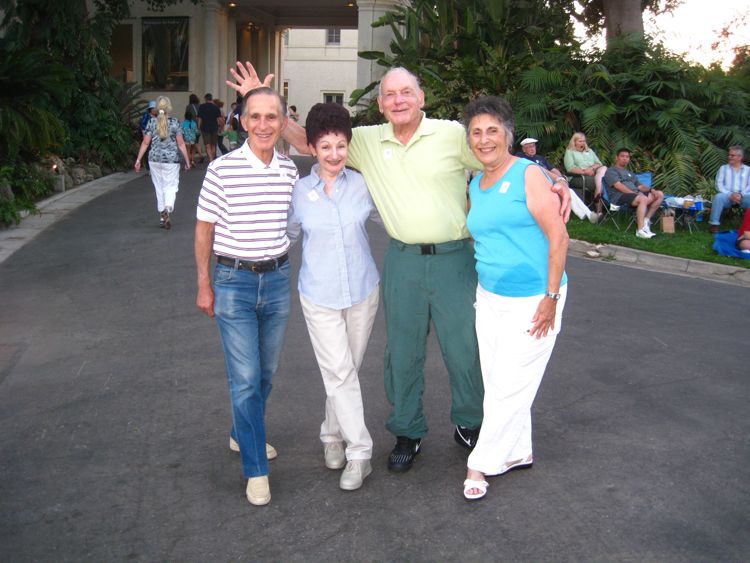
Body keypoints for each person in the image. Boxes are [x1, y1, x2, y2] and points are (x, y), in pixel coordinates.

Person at [227, 62, 572, 474]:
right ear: (380, 104)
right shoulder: (369, 141)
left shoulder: (449, 134)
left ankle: (470, 422)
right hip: (403, 260)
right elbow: (314, 142)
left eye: (406, 92)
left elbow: (496, 156)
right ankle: (408, 431)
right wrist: (268, 108)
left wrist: (552, 177)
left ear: (420, 97)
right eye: (389, 95)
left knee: (464, 348)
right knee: (402, 352)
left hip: (454, 259)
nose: (398, 100)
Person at [461, 96, 569, 501]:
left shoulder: (528, 174)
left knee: (509, 384)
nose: (484, 139)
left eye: (492, 130)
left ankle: (480, 463)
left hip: (534, 298)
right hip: (489, 297)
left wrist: (551, 296)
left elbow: (559, 237)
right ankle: (518, 451)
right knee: (499, 382)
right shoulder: (476, 184)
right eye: (476, 132)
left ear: (507, 133)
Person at [195, 86, 297, 506]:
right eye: (254, 116)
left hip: (276, 280)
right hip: (233, 281)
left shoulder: (290, 170)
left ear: (282, 120)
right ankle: (256, 469)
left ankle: (242, 432)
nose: (263, 125)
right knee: (246, 379)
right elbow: (204, 229)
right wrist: (204, 283)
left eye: (271, 117)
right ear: (240, 120)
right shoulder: (221, 170)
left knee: (267, 373)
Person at [286, 103, 380, 491]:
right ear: (311, 147)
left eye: (341, 145)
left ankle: (330, 434)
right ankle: (361, 453)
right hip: (319, 296)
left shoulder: (363, 185)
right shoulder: (298, 191)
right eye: (326, 146)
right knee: (339, 372)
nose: (335, 155)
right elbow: (286, 236)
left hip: (362, 291)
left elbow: (393, 217)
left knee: (345, 372)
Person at [134, 96, 191, 229]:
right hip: (171, 160)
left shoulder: (151, 122)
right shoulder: (175, 122)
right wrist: (188, 161)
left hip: (154, 159)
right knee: (171, 185)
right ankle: (168, 207)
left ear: (157, 108)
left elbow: (145, 142)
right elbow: (181, 143)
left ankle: (162, 216)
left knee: (159, 187)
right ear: (169, 108)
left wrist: (138, 160)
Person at [517, 138, 599, 224]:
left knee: (568, 191)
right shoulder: (522, 158)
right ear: (523, 149)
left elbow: (553, 169)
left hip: (552, 183)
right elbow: (538, 170)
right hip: (539, 186)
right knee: (567, 191)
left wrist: (561, 178)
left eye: (533, 146)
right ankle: (588, 215)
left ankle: (588, 215)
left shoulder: (540, 158)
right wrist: (557, 179)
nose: (532, 148)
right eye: (529, 147)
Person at [603, 148, 664, 239]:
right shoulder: (611, 171)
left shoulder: (630, 173)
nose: (625, 158)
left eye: (627, 157)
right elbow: (618, 186)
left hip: (634, 195)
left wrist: (651, 190)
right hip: (619, 196)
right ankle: (640, 230)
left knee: (659, 194)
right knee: (642, 199)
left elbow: (640, 186)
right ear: (616, 158)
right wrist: (635, 194)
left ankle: (646, 221)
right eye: (622, 156)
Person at [708, 146, 750, 233]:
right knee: (718, 197)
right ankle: (714, 225)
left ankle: (748, 226)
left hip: (743, 196)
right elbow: (719, 185)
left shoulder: (748, 170)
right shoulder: (723, 168)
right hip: (727, 196)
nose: (729, 157)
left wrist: (741, 194)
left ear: (739, 157)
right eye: (729, 155)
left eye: (732, 155)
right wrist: (730, 194)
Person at [564, 132, 607, 204]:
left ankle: (598, 192)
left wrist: (591, 169)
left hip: (594, 174)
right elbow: (570, 168)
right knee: (602, 182)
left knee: (604, 168)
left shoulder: (589, 151)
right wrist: (585, 172)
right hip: (578, 177)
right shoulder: (570, 152)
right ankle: (599, 209)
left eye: (584, 141)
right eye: (580, 141)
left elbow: (599, 163)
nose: (583, 143)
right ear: (574, 142)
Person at [197, 93, 222, 162]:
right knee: (213, 144)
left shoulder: (202, 107)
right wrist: (221, 127)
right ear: (211, 98)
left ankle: (210, 160)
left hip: (205, 127)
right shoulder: (215, 107)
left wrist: (198, 127)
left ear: (205, 99)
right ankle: (212, 160)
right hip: (214, 127)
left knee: (207, 145)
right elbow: (219, 119)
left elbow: (199, 118)